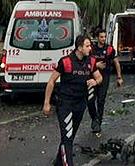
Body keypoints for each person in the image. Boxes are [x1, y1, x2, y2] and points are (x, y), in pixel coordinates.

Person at [43, 35, 103, 166]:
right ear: (80, 47)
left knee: (69, 136)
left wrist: (95, 81)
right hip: (65, 104)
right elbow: (51, 81)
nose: (90, 48)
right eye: (87, 46)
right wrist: (46, 103)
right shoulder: (65, 62)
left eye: (90, 45)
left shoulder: (91, 61)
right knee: (67, 137)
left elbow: (99, 78)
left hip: (80, 104)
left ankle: (59, 161)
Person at [89, 28, 123, 134]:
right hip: (92, 78)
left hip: (104, 77)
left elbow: (116, 62)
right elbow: (86, 63)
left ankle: (98, 122)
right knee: (90, 100)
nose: (103, 39)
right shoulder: (91, 49)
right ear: (97, 37)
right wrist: (96, 65)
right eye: (101, 37)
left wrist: (119, 77)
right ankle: (94, 118)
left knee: (101, 100)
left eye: (104, 37)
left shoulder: (109, 49)